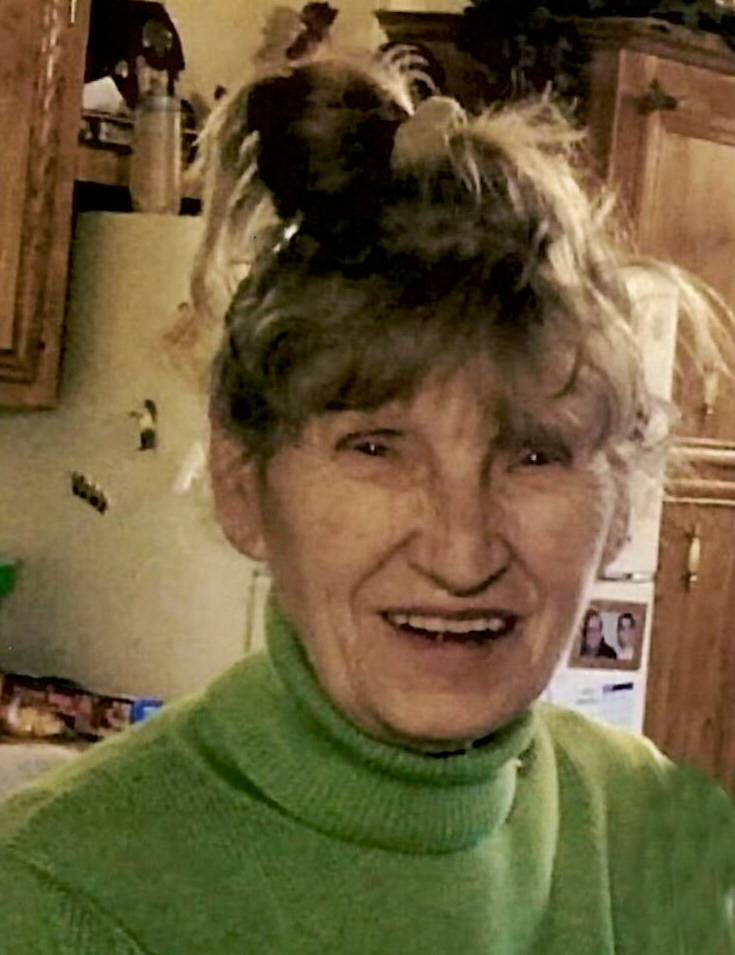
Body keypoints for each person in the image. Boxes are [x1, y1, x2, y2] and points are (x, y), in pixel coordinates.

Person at [0, 58, 734, 953]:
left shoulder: (649, 826)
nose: (461, 555)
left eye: (533, 455)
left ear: (618, 505)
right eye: (377, 448)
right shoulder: (60, 895)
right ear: (242, 482)